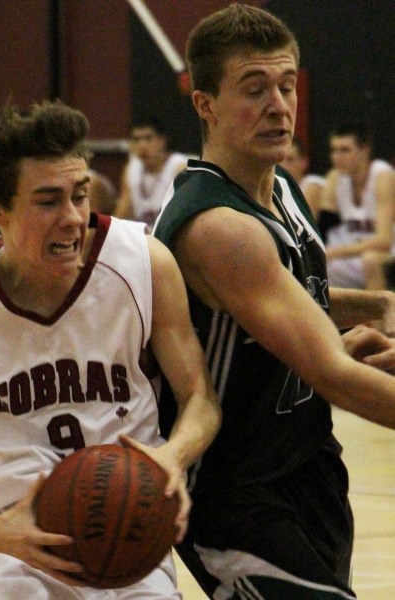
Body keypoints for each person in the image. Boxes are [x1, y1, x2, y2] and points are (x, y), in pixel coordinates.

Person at [0, 100, 222, 599]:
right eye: (48, 201)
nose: (73, 218)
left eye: (79, 196)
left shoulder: (143, 264)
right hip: (11, 553)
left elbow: (200, 399)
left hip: (127, 533)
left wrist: (171, 457)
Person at [153, 4, 395, 599]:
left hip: (309, 467)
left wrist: (376, 305)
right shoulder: (217, 226)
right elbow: (336, 377)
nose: (278, 105)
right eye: (254, 89)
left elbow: (295, 295)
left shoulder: (281, 187)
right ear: (204, 104)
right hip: (236, 498)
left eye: (286, 86)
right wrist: (333, 351)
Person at [319, 122, 395, 289]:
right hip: (355, 252)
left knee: (371, 261)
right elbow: (323, 229)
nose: (336, 157)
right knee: (316, 269)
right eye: (334, 150)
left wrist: (334, 252)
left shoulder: (383, 176)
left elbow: (384, 241)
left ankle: (380, 315)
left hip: (386, 254)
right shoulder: (337, 178)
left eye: (345, 150)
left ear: (365, 150)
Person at [115, 117, 188, 230]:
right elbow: (122, 215)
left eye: (148, 138)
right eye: (136, 139)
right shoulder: (131, 169)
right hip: (142, 238)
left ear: (162, 141)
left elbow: (184, 216)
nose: (142, 146)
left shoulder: (179, 167)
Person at [280, 135, 325, 218]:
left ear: (304, 162)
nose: (283, 166)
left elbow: (304, 224)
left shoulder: (312, 183)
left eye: (290, 159)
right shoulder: (279, 190)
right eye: (280, 160)